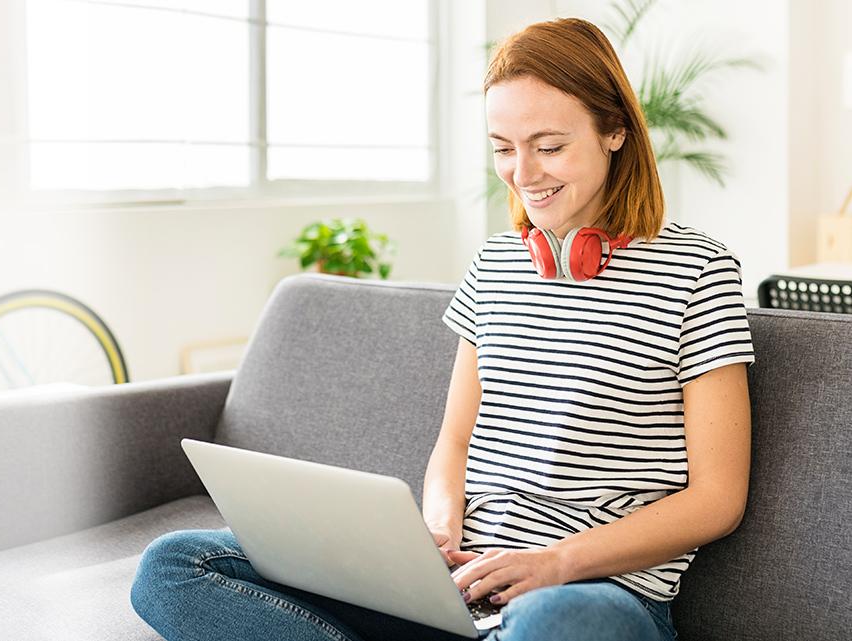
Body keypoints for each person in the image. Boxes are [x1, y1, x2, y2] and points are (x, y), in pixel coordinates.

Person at [129, 16, 754, 641]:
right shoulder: (492, 265)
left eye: (549, 145)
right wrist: (435, 532)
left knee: (557, 620)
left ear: (615, 129)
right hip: (456, 586)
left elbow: (717, 499)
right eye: (503, 148)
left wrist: (555, 563)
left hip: (589, 593)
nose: (523, 173)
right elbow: (454, 443)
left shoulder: (699, 270)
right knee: (176, 565)